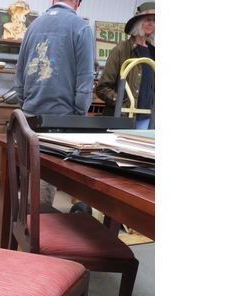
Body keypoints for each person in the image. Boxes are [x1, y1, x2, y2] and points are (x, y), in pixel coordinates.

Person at [14, 0, 94, 206]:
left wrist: (28, 107)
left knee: (29, 176)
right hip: (60, 122)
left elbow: (19, 79)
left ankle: (25, 227)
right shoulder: (81, 28)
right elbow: (85, 83)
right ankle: (34, 234)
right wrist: (78, 119)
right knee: (44, 184)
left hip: (28, 120)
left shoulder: (32, 27)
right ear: (77, 2)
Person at [96, 2, 155, 129]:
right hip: (123, 120)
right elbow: (102, 88)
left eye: (154, 20)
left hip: (148, 120)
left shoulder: (154, 53)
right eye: (148, 20)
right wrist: (123, 103)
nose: (152, 24)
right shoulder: (121, 50)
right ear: (139, 22)